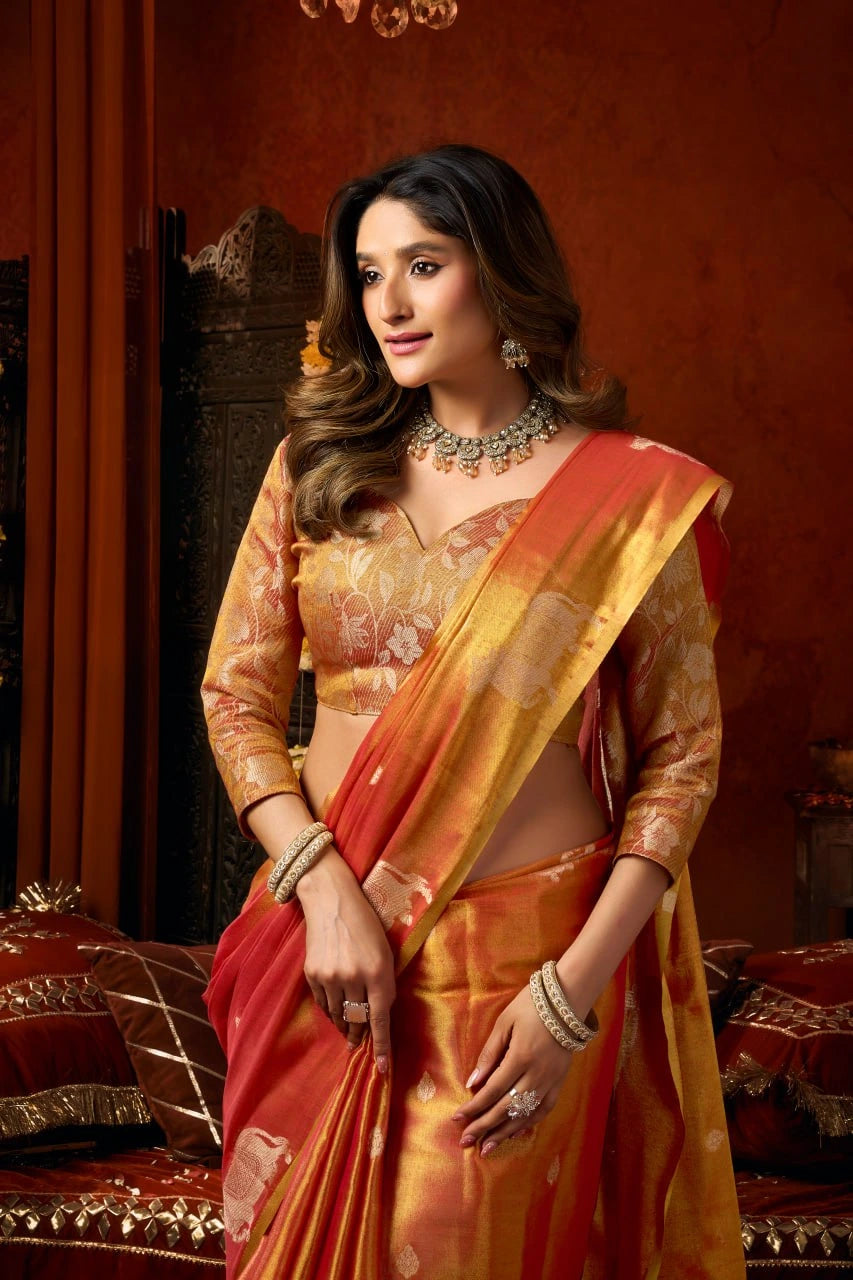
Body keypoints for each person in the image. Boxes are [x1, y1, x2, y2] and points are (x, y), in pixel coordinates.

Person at [201, 144, 746, 1280]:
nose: (388, 303)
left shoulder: (621, 496)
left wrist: (570, 993)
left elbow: (680, 759)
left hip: (520, 965)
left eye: (423, 264)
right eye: (367, 272)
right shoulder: (318, 461)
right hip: (323, 943)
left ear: (499, 275)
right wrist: (325, 884)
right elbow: (237, 697)